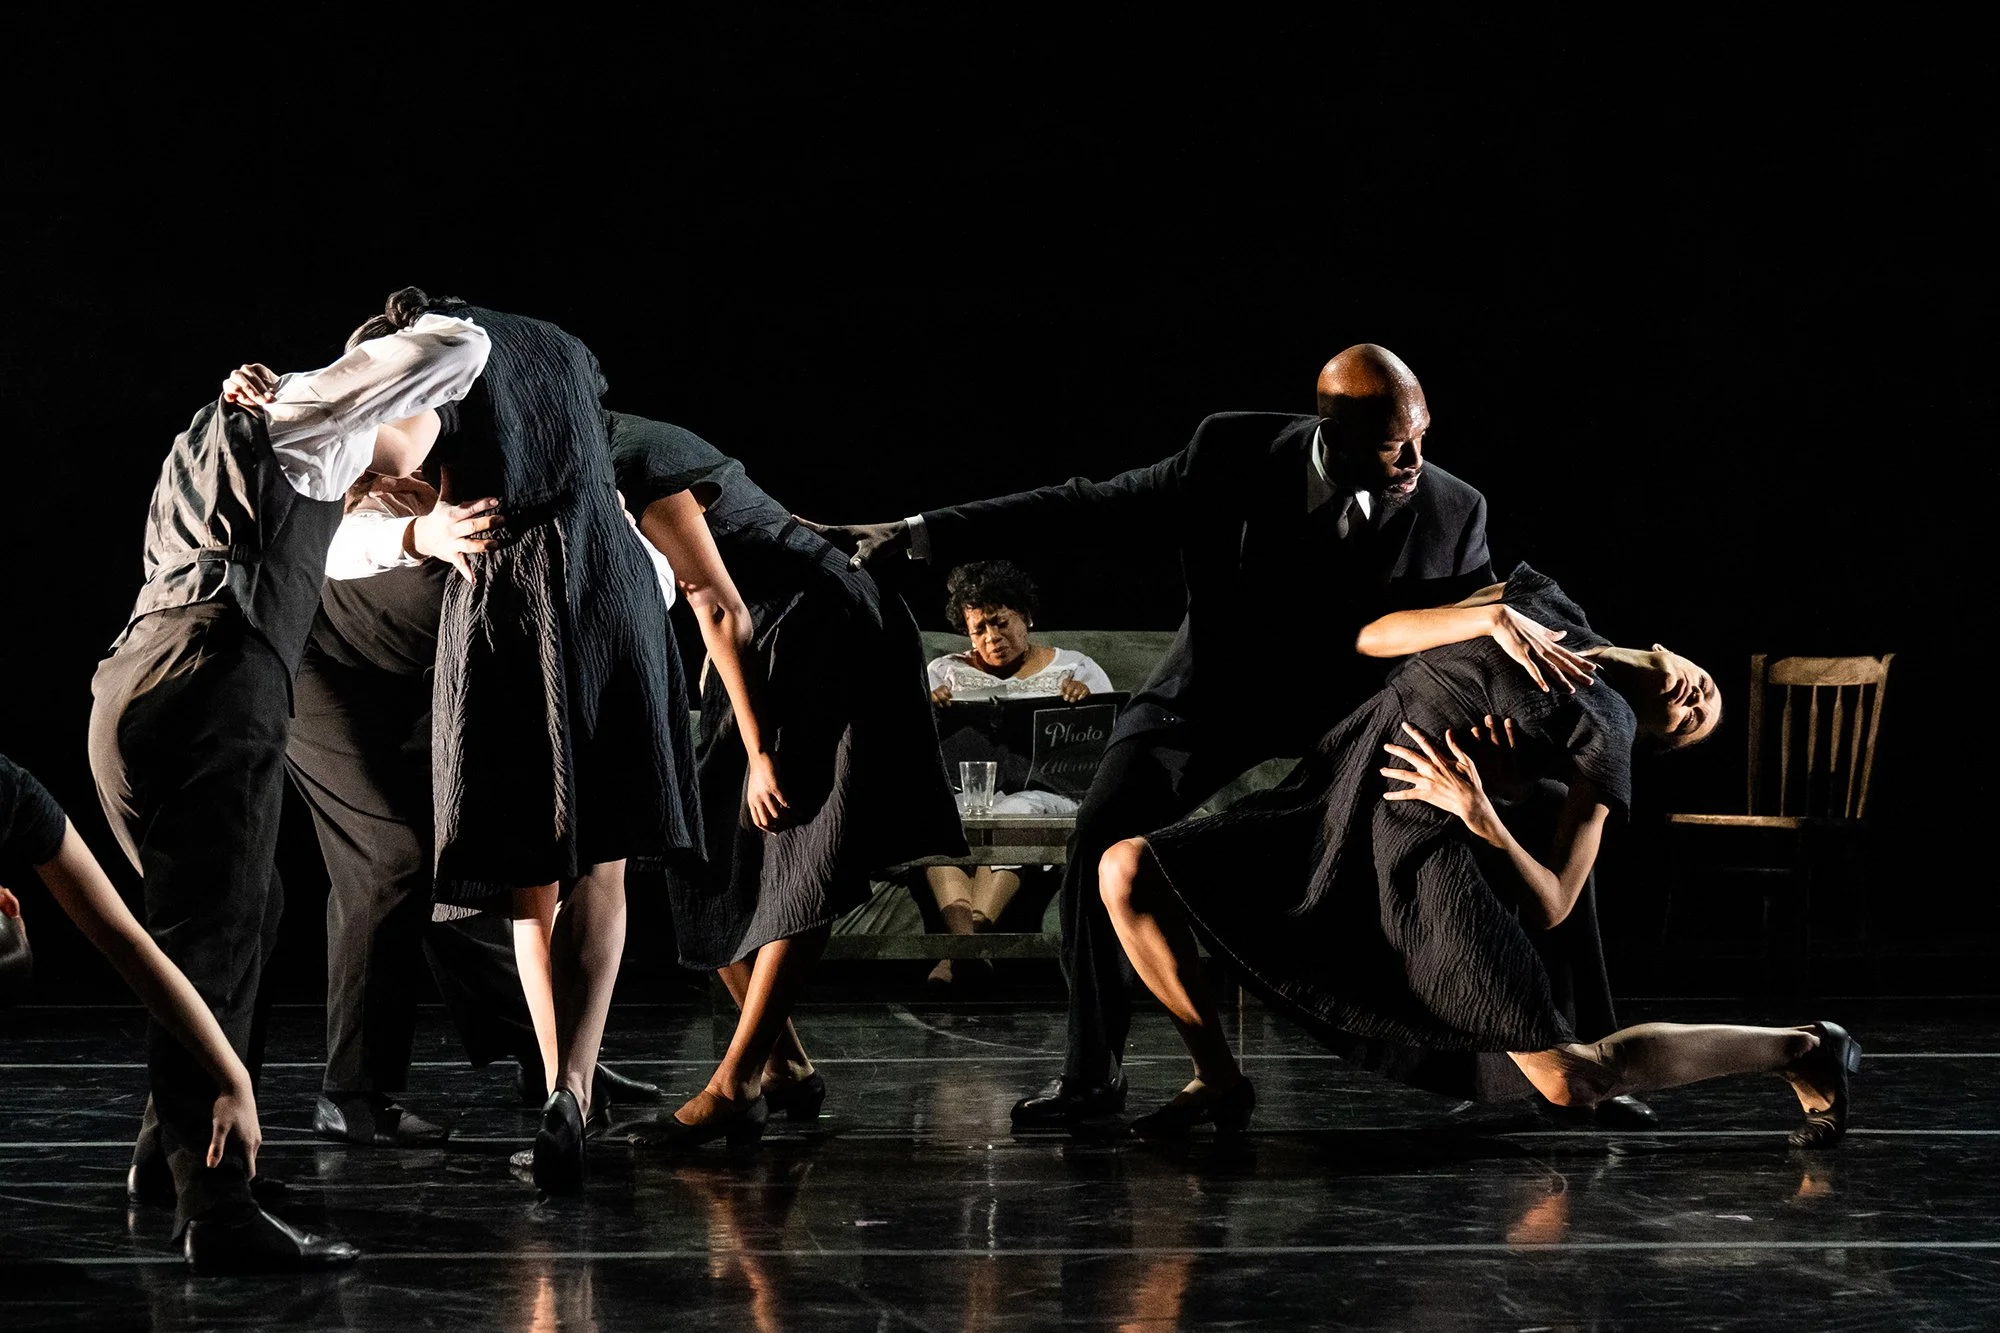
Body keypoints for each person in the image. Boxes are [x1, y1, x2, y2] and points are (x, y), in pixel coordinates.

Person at [803, 344, 1568, 1128]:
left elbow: (1457, 642)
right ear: (1330, 430)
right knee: (1102, 838)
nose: (1413, 459)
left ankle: (1575, 1067)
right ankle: (1093, 1078)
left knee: (1545, 803)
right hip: (1211, 700)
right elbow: (1085, 503)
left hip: (1352, 719)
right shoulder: (1230, 452)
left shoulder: (1454, 508)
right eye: (1390, 443)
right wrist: (917, 532)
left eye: (1422, 435)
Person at [1094, 565, 1860, 1149]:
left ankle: (1804, 1047)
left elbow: (1556, 899)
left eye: (1691, 721)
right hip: (1337, 796)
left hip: (1427, 856)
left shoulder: (1610, 730)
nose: (1695, 701)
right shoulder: (1537, 597)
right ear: (1672, 649)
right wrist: (1493, 616)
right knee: (1124, 868)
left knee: (1570, 1081)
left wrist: (1486, 814)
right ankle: (1220, 1081)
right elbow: (1373, 635)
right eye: (1707, 693)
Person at [87, 295, 489, 1271]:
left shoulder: (233, 438)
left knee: (237, 915)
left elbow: (308, 520)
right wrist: (371, 367)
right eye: (427, 419)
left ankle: (165, 1150)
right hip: (214, 681)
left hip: (132, 683)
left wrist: (380, 497)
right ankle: (218, 1212)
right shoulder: (302, 409)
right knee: (220, 935)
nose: (433, 446)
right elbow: (457, 345)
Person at [405, 296, 703, 1194]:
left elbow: (390, 441)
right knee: (601, 862)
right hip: (617, 585)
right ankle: (575, 1079)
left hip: (515, 589)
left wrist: (396, 502)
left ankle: (556, 1087)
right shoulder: (568, 349)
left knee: (529, 865)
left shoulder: (434, 347)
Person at [607, 413, 964, 1148]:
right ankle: (785, 1064)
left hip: (822, 630)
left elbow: (713, 599)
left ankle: (734, 1083)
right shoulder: (604, 454)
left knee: (800, 848)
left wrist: (760, 746)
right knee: (701, 855)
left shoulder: (633, 459)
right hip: (767, 630)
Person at [288, 465, 667, 1150]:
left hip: (416, 680)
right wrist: (416, 529)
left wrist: (617, 523)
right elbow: (337, 542)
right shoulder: (458, 514)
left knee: (464, 866)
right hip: (318, 666)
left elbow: (656, 589)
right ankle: (352, 1093)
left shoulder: (583, 536)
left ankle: (553, 1065)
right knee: (393, 858)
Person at [1, 755, 262, 1176]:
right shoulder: (12, 794)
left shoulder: (13, 797)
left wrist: (234, 1079)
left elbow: (134, 949)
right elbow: (131, 947)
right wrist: (234, 1080)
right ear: (6, 904)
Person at [923, 560, 1114, 988]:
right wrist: (929, 708)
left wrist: (1083, 703)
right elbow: (911, 747)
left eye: (1000, 623)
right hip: (969, 789)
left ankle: (956, 955)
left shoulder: (1075, 668)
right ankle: (970, 951)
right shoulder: (945, 672)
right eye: (978, 629)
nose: (992, 638)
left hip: (1046, 794)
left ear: (1025, 616)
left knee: (1016, 809)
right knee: (938, 817)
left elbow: (1105, 741)